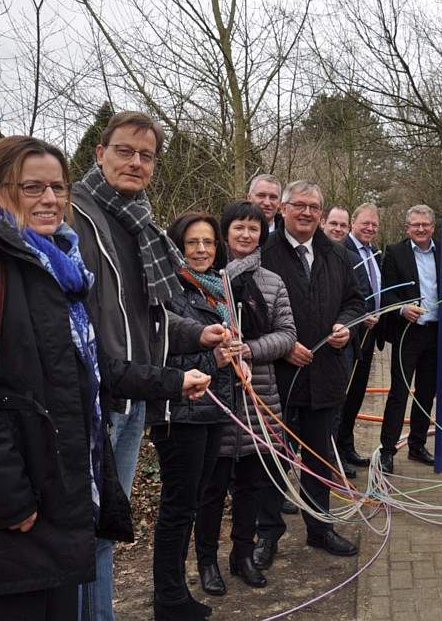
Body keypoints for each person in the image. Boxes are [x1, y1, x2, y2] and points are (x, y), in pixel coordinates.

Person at [0, 136, 211, 621]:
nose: (50, 199)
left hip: (56, 495)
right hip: (4, 515)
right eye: (31, 187)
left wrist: (172, 382)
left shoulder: (55, 267)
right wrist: (11, 499)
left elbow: (89, 367)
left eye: (58, 187)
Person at [72, 111, 227, 620]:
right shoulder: (77, 216)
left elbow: (149, 319)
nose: (135, 163)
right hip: (97, 398)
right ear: (100, 153)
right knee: (88, 528)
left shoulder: (140, 224)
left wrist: (198, 331)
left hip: (137, 396)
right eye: (125, 151)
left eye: (146, 155)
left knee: (105, 529)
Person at [146, 213, 252, 619]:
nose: (202, 250)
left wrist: (233, 360)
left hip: (214, 408)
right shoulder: (168, 289)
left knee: (191, 502)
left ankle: (174, 593)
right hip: (181, 414)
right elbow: (158, 351)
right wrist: (214, 357)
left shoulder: (219, 290)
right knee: (178, 507)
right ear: (178, 247)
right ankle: (168, 598)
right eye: (193, 243)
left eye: (208, 242)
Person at [194, 201, 297, 591]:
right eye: (239, 227)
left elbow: (288, 333)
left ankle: (242, 556)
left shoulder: (272, 281)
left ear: (262, 234)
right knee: (212, 488)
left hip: (259, 397)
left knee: (253, 484)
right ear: (226, 232)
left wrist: (251, 348)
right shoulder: (203, 277)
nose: (245, 235)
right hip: (215, 395)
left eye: (254, 229)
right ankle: (207, 563)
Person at [261, 181, 365, 557]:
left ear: (321, 214)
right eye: (299, 206)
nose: (307, 213)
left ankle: (320, 529)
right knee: (274, 458)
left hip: (324, 376)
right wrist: (283, 347)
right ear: (284, 209)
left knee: (319, 457)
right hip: (277, 379)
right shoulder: (264, 253)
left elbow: (356, 301)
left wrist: (345, 325)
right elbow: (251, 314)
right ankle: (266, 537)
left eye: (314, 207)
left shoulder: (336, 255)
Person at [378, 205, 441, 474]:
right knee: (399, 391)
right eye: (415, 225)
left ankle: (417, 445)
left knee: (427, 392)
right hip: (408, 332)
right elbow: (385, 294)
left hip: (437, 332)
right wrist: (402, 309)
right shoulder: (395, 252)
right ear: (407, 228)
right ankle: (387, 450)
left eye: (425, 224)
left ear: (433, 227)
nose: (421, 229)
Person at [321, 205, 374, 480]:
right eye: (334, 224)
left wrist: (354, 321)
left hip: (343, 346)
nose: (339, 229)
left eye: (343, 225)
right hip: (309, 347)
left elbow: (359, 299)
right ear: (323, 224)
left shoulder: (353, 259)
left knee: (337, 405)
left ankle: (332, 460)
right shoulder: (307, 256)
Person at [339, 203, 384, 469]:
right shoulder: (342, 250)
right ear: (353, 222)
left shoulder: (374, 253)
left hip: (370, 335)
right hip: (350, 334)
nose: (369, 228)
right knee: (342, 394)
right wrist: (358, 317)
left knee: (357, 394)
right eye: (365, 223)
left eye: (374, 225)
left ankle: (347, 446)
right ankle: (335, 452)